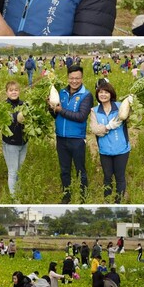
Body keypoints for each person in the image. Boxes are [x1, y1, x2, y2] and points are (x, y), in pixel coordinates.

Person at [48, 65, 93, 204]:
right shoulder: (61, 93)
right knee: (64, 170)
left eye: (77, 78)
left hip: (77, 139)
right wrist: (50, 107)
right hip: (61, 138)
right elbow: (55, 115)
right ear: (67, 78)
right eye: (72, 78)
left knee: (80, 169)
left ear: (82, 78)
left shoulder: (86, 95)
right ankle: (66, 195)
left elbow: (81, 116)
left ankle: (83, 196)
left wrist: (60, 110)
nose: (74, 81)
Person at [90, 82, 131, 203]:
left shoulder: (120, 106)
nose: (103, 94)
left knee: (120, 177)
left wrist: (131, 104)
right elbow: (95, 129)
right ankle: (107, 200)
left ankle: (119, 201)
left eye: (106, 92)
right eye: (100, 92)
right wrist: (108, 126)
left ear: (111, 94)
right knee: (107, 177)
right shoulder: (94, 111)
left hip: (121, 149)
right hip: (105, 150)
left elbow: (134, 119)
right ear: (97, 95)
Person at [2, 81, 28, 196]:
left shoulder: (24, 104)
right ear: (6, 92)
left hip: (23, 142)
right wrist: (15, 117)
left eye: (16, 90)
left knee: (19, 171)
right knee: (13, 172)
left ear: (19, 91)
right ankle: (14, 198)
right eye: (11, 90)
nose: (14, 92)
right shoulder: (3, 106)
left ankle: (18, 192)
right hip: (10, 144)